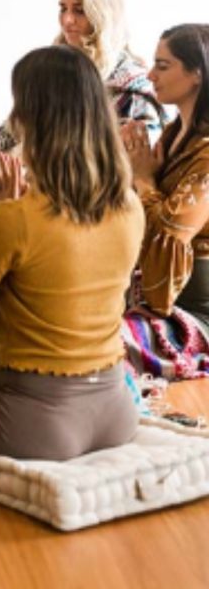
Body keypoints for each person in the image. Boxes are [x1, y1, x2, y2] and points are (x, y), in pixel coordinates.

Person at [0, 45, 144, 460]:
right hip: (117, 413)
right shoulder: (130, 206)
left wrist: (0, 216)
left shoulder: (16, 219)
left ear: (34, 119)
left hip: (36, 427)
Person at [0, 0, 164, 255]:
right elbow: (8, 137)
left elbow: (123, 173)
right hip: (34, 184)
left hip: (81, 202)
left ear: (102, 14)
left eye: (79, 11)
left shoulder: (132, 91)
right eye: (63, 9)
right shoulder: (53, 64)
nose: (67, 20)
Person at [121, 24, 209, 379]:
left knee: (103, 345)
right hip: (151, 299)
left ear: (196, 74)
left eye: (163, 65)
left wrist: (144, 179)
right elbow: (137, 212)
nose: (150, 75)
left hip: (196, 314)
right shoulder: (173, 136)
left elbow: (168, 235)